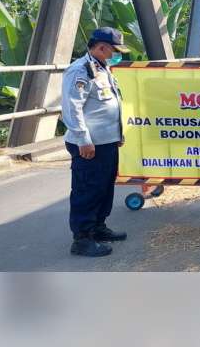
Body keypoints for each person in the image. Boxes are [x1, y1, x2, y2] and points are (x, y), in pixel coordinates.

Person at [61, 27, 129, 257]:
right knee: (87, 189)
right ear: (101, 47)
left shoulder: (103, 68)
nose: (116, 54)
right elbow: (72, 108)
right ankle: (82, 238)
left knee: (104, 187)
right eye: (114, 50)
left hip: (106, 141)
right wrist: (83, 140)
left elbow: (110, 105)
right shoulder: (80, 70)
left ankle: (98, 227)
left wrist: (117, 135)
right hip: (90, 144)